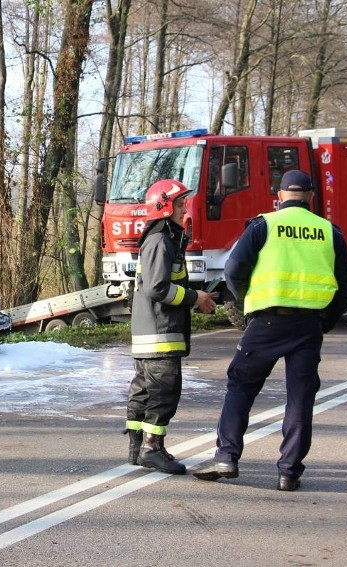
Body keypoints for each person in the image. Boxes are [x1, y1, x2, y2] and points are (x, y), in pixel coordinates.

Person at [193, 169, 347, 491]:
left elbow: (233, 270)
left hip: (266, 321)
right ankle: (289, 472)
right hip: (309, 324)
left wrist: (245, 304)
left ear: (279, 196)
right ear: (310, 196)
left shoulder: (263, 225)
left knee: (241, 386)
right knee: (300, 396)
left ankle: (226, 457)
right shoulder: (328, 231)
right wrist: (326, 320)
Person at [125, 179, 218, 475]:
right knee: (164, 392)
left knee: (145, 391)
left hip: (153, 333)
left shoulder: (163, 239)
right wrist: (195, 297)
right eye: (180, 204)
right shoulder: (160, 241)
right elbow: (157, 288)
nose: (184, 209)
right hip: (160, 334)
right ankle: (152, 449)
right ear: (163, 207)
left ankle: (139, 449)